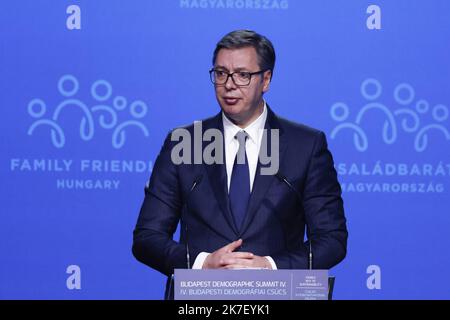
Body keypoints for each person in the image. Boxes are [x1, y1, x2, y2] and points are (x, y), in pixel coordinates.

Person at [132, 30, 348, 299]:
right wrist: (201, 264)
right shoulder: (183, 143)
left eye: (242, 75)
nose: (229, 85)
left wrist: (270, 267)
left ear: (266, 79)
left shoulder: (306, 146)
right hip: (201, 300)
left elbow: (332, 240)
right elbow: (147, 238)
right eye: (221, 73)